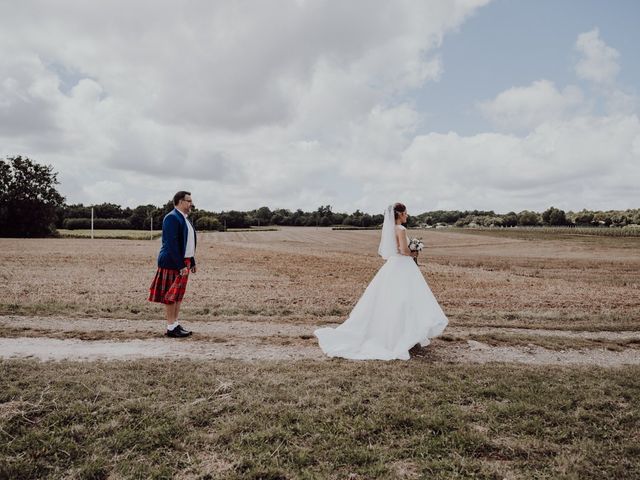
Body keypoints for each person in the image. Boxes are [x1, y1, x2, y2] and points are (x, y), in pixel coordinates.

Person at [314, 203, 448, 360]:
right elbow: (404, 251)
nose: (407, 215)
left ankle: (400, 335)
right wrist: (416, 251)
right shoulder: (402, 229)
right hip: (403, 265)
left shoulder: (391, 229)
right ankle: (402, 336)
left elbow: (396, 249)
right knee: (406, 300)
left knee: (392, 300)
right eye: (405, 213)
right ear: (400, 214)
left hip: (393, 264)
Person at [148, 191, 197, 338]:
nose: (191, 204)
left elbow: (188, 243)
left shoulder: (185, 219)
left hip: (184, 261)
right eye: (188, 201)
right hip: (172, 262)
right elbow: (171, 244)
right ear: (180, 202)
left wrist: (192, 261)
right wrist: (180, 265)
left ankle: (175, 324)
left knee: (178, 296)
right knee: (171, 296)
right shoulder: (171, 218)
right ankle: (170, 327)